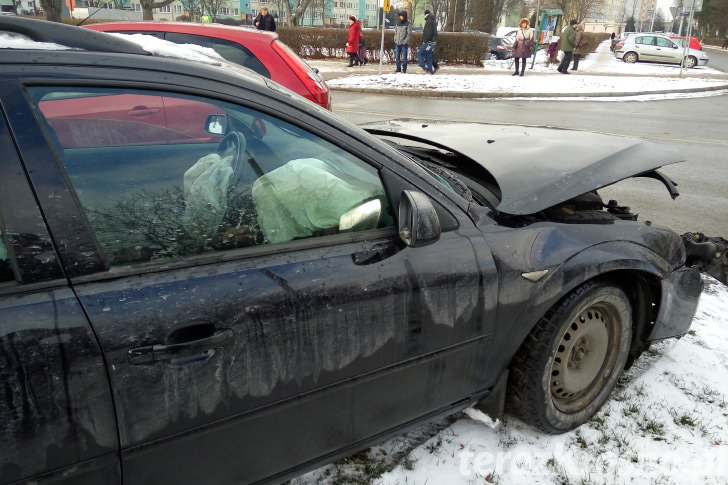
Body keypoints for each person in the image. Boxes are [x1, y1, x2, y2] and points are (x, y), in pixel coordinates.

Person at [418, 9, 438, 74]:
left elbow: (428, 33)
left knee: (420, 53)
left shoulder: (428, 21)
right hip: (433, 42)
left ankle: (424, 68)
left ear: (425, 14)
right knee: (429, 55)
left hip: (428, 42)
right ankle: (430, 70)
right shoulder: (433, 20)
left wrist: (424, 41)